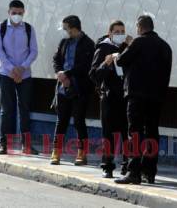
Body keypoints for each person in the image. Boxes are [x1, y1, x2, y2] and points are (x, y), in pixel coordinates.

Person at [114, 15, 172, 185]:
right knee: (152, 132)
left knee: (135, 133)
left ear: (139, 27)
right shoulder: (165, 46)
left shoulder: (138, 42)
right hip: (157, 97)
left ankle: (134, 172)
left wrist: (121, 52)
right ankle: (150, 172)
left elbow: (121, 61)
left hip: (137, 96)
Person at [0, 0, 38, 155]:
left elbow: (33, 51)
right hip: (6, 73)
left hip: (24, 74)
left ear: (24, 12)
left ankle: (26, 145)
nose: (17, 15)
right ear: (8, 12)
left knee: (24, 109)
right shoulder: (0, 28)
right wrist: (12, 69)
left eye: (20, 13)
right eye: (14, 12)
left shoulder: (29, 29)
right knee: (6, 110)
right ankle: (4, 144)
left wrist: (22, 68)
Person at [89, 20, 132, 178]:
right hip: (109, 95)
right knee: (108, 133)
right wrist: (106, 63)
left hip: (126, 96)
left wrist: (132, 45)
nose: (120, 35)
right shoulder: (103, 48)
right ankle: (107, 165)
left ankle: (127, 165)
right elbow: (93, 74)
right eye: (117, 32)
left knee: (127, 133)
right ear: (110, 33)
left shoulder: (127, 47)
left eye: (122, 31)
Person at [51, 15, 95, 165]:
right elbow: (56, 59)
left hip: (80, 88)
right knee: (61, 121)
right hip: (63, 88)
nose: (65, 31)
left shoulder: (88, 44)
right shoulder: (64, 42)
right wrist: (59, 73)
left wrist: (68, 74)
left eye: (66, 28)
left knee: (78, 121)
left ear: (73, 27)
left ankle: (82, 153)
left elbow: (85, 66)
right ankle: (56, 152)